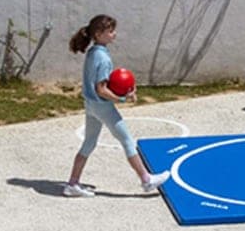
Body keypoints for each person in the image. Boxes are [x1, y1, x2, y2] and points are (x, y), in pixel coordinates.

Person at [62, 14, 172, 197]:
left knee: (89, 143)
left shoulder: (93, 52)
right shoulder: (104, 59)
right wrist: (123, 99)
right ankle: (146, 180)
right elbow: (101, 89)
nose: (115, 34)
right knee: (127, 141)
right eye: (111, 31)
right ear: (98, 34)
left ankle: (72, 184)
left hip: (90, 105)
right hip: (102, 106)